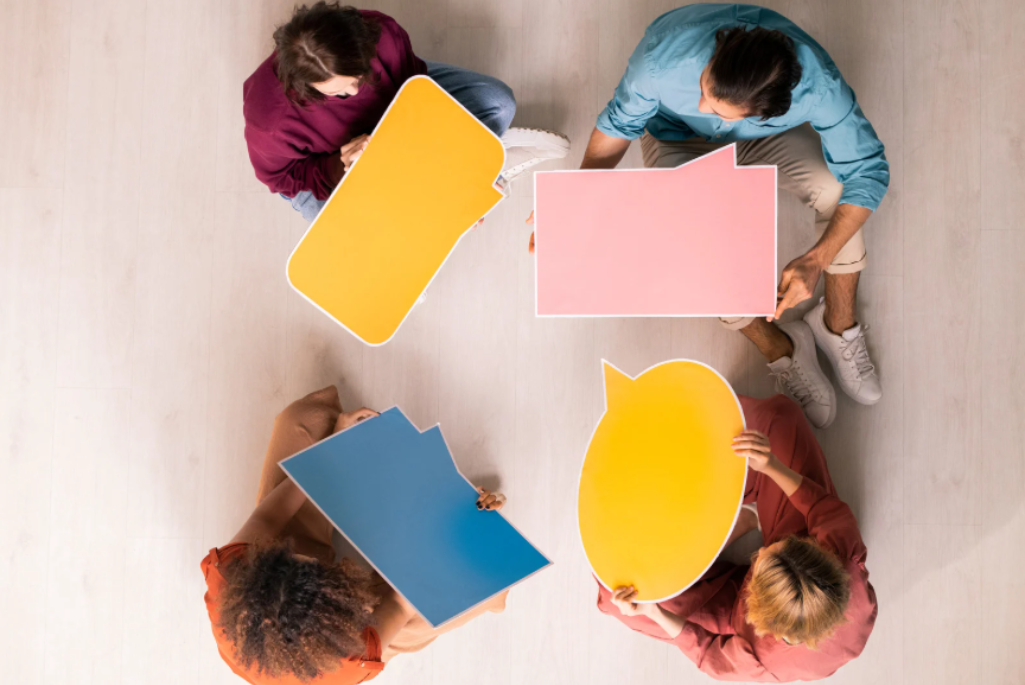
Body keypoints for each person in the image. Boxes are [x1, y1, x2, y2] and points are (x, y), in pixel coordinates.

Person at [531, 4, 888, 428]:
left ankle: (837, 323)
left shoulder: (819, 87)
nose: (701, 105)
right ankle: (779, 344)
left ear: (770, 109)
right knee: (694, 252)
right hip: (678, 141)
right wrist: (576, 202)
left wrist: (817, 259)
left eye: (717, 107)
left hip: (762, 142)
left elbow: (868, 172)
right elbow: (620, 125)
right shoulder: (661, 61)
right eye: (704, 87)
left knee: (837, 190)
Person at [201, 386, 509, 684]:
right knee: (479, 579)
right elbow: (402, 604)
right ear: (342, 615)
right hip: (355, 639)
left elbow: (269, 516)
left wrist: (331, 449)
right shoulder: (352, 654)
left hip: (282, 608)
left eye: (294, 557)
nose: (319, 561)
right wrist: (452, 530)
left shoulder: (231, 568)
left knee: (302, 419)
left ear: (265, 562)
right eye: (322, 572)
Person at [597, 394, 877, 681]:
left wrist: (653, 611)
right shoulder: (845, 553)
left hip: (734, 613)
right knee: (780, 418)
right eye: (776, 548)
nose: (759, 552)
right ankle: (744, 522)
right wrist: (771, 465)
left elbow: (708, 653)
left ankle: (727, 536)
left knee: (617, 591)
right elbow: (817, 505)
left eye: (759, 558)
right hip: (798, 566)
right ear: (812, 550)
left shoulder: (763, 658)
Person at [244, 2, 569, 222]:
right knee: (353, 237)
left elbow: (417, 87)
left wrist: (433, 170)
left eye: (360, 78)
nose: (355, 93)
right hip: (329, 167)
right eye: (340, 92)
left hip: (399, 121)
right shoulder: (269, 119)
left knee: (499, 102)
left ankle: (471, 172)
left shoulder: (380, 32)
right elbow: (282, 178)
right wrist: (336, 167)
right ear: (306, 86)